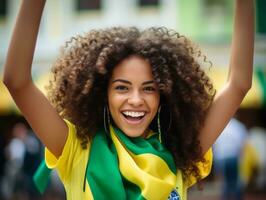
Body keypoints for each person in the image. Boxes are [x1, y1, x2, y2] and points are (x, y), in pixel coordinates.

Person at [2, 0, 254, 200]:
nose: (136, 100)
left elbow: (239, 84)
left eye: (148, 89)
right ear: (103, 94)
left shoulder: (178, 153)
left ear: (163, 97)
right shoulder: (76, 149)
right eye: (122, 88)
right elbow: (17, 81)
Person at [213, 118, 249, 200]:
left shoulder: (218, 125)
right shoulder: (238, 125)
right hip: (233, 156)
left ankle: (226, 197)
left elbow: (214, 144)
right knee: (235, 181)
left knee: (224, 182)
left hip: (221, 157)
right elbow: (244, 142)